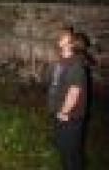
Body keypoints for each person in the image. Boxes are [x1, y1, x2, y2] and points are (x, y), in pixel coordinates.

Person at [48, 25, 91, 170]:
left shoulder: (76, 65)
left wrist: (63, 112)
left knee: (70, 154)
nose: (60, 36)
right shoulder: (63, 60)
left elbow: (74, 93)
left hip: (69, 117)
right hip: (59, 113)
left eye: (66, 36)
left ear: (71, 44)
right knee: (64, 148)